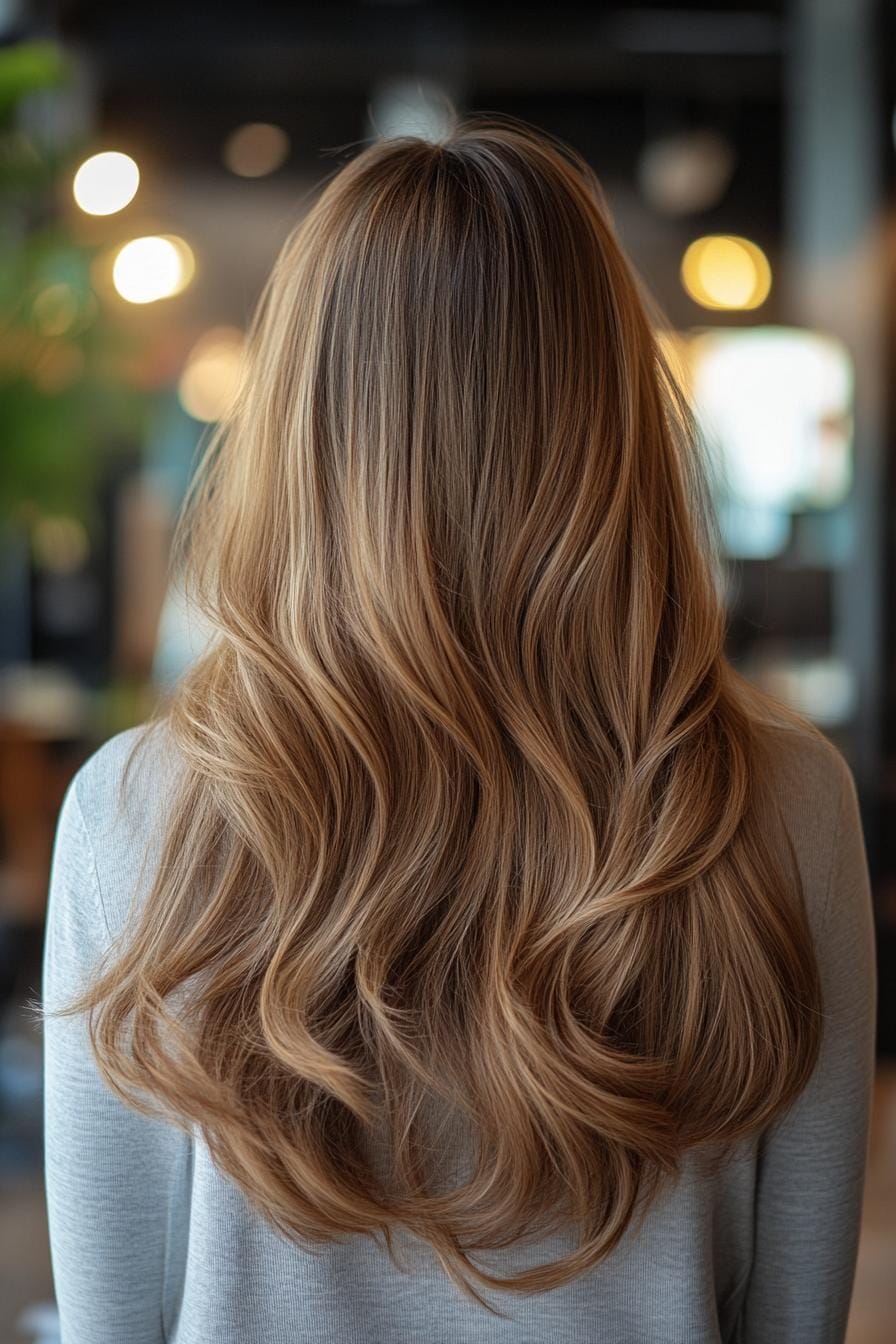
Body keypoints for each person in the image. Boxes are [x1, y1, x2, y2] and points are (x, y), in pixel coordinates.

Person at [41, 115, 876, 1344]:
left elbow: (113, 1320)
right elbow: (794, 1316)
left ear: (303, 428)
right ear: (611, 416)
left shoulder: (134, 809)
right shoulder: (784, 801)